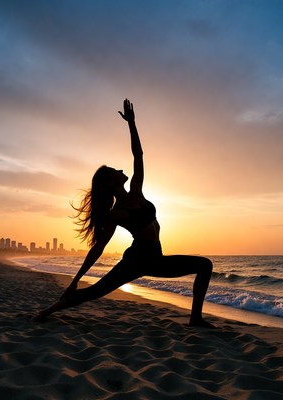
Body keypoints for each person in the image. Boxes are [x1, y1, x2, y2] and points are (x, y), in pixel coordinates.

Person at [32, 99, 215, 328]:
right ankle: (49, 310)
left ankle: (195, 319)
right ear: (110, 182)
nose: (120, 170)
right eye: (115, 171)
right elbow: (98, 248)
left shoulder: (137, 190)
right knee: (94, 292)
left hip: (155, 257)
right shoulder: (116, 214)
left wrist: (132, 123)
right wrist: (75, 280)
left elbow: (138, 155)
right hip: (136, 260)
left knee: (204, 266)